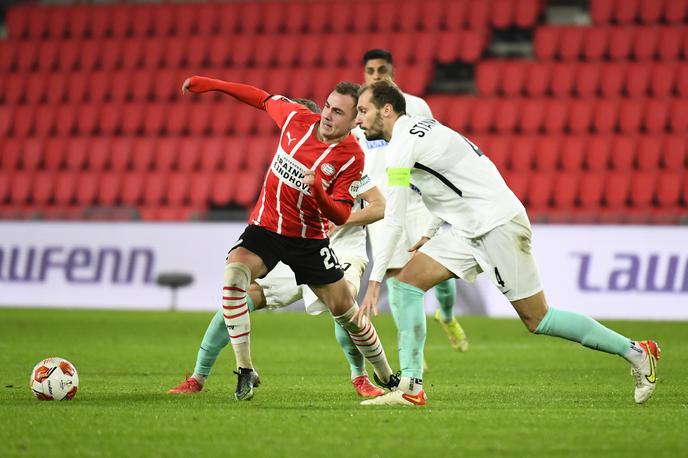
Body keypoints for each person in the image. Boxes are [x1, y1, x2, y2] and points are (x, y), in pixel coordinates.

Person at [355, 80, 661, 406]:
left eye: (363, 111)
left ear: (386, 110)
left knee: (538, 319)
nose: (359, 120)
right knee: (405, 287)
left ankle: (637, 352)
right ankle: (411, 388)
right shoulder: (424, 128)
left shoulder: (401, 147)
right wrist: (431, 229)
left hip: (496, 225)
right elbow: (453, 177)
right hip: (468, 227)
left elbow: (395, 218)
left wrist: (374, 282)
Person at [179, 76, 397, 400]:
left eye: (338, 112)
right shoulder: (295, 119)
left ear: (353, 121)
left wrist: (320, 193)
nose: (327, 115)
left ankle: (384, 375)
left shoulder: (351, 157)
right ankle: (243, 369)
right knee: (234, 276)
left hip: (309, 239)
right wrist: (211, 84)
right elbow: (260, 97)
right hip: (266, 228)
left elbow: (339, 215)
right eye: (327, 106)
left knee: (346, 311)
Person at [354, 49, 468, 352]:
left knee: (439, 272)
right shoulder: (360, 112)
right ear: (364, 75)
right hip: (381, 208)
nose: (377, 76)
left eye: (382, 70)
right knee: (394, 275)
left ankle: (446, 315)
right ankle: (411, 349)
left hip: (416, 201)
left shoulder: (416, 106)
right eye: (371, 71)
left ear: (393, 73)